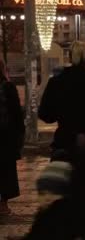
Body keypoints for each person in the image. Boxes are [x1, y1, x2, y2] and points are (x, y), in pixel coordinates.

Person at [0, 59, 25, 216]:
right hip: (4, 138)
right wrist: (19, 138)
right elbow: (17, 114)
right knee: (6, 171)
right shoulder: (8, 87)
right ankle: (3, 205)